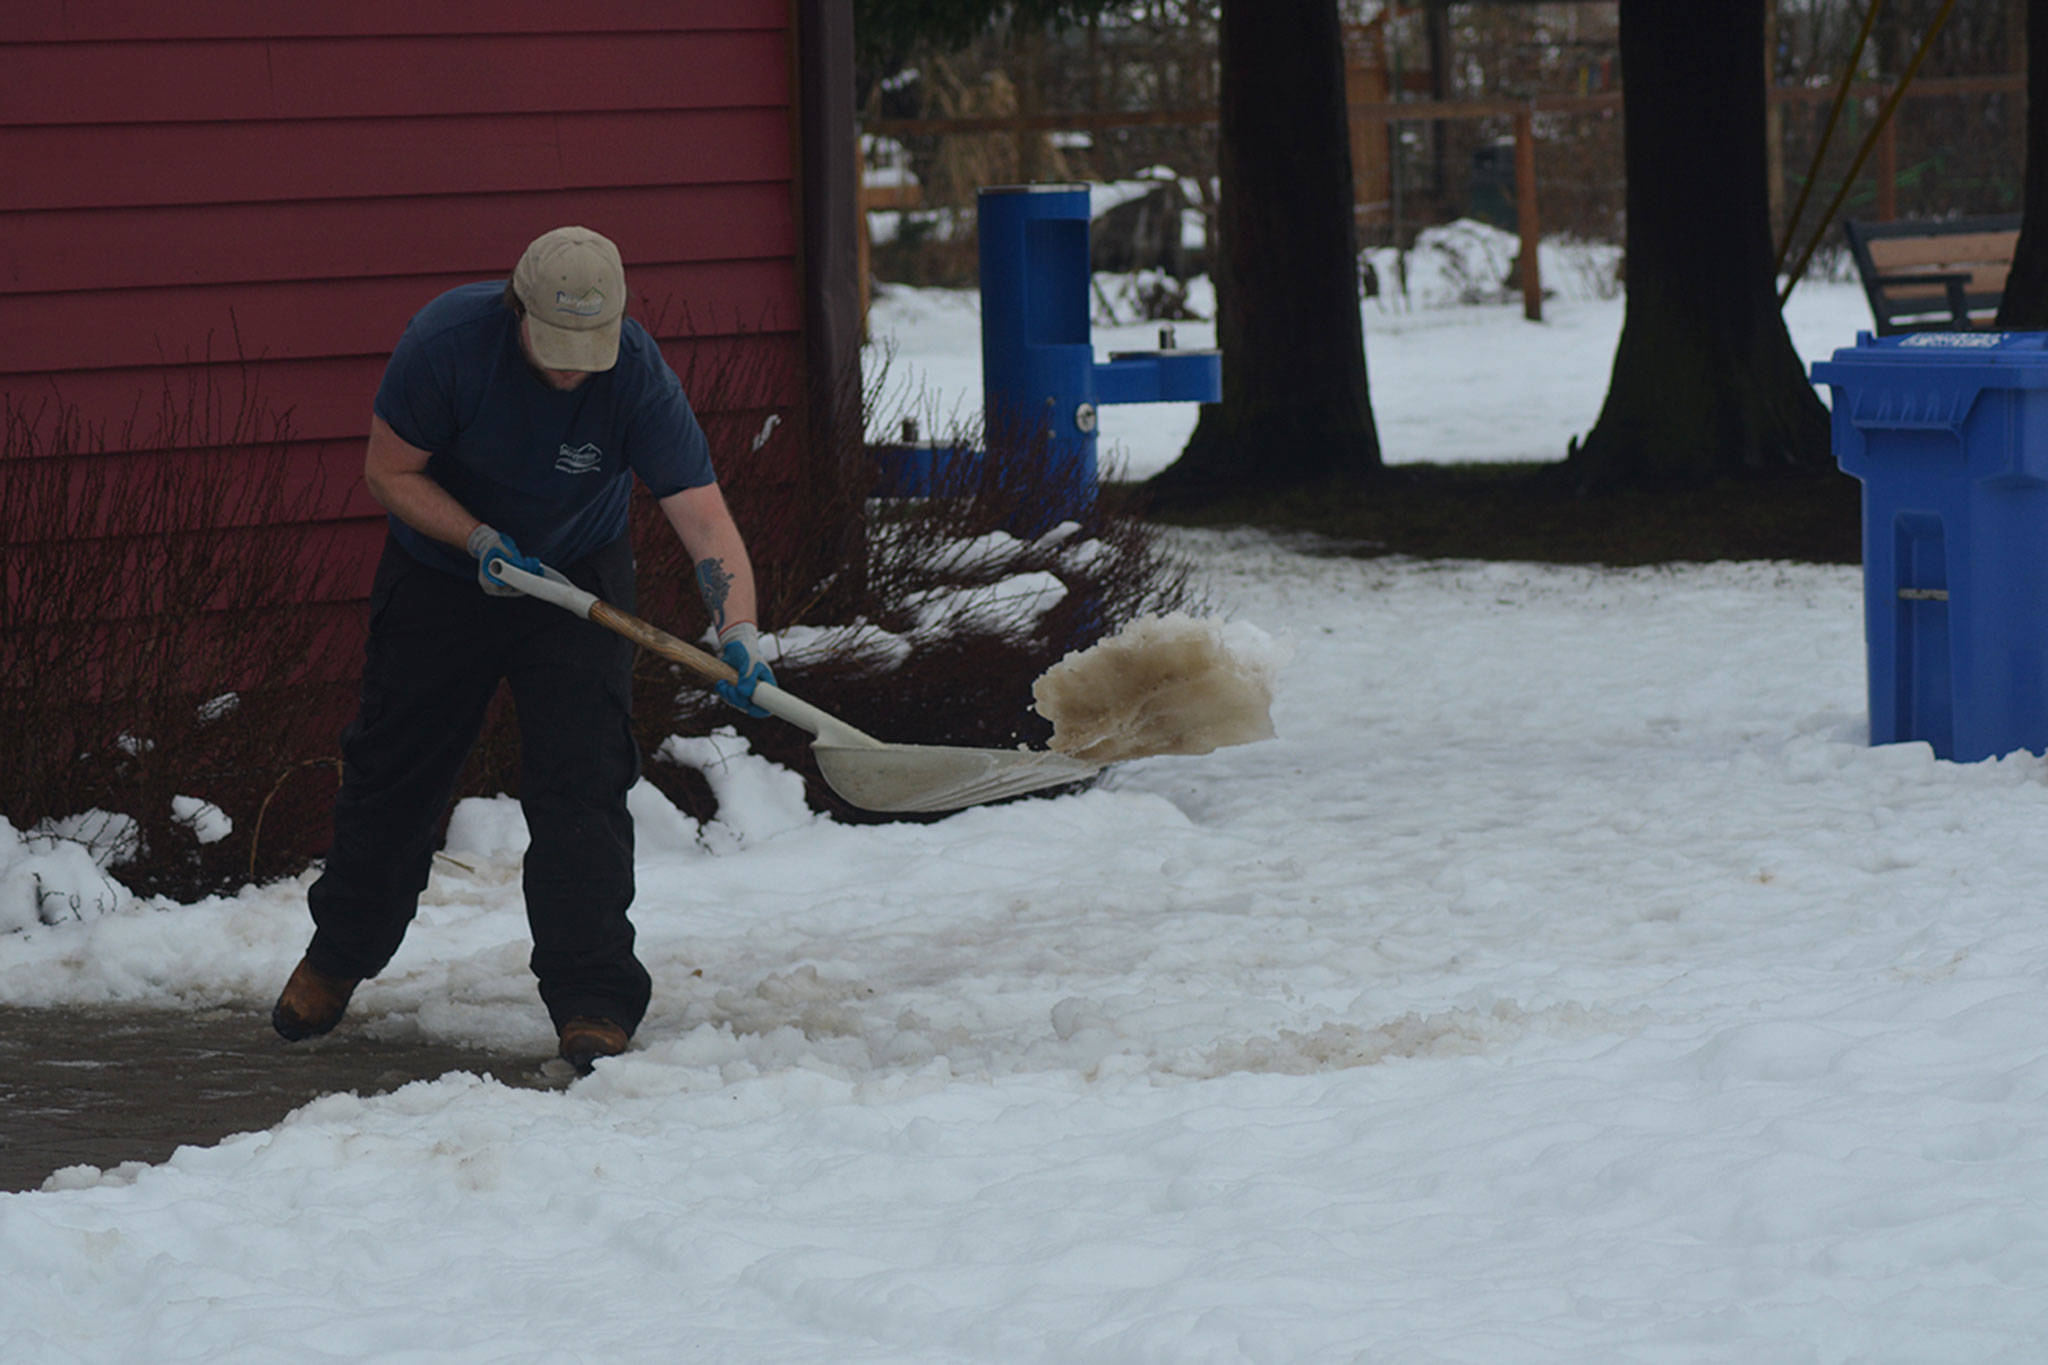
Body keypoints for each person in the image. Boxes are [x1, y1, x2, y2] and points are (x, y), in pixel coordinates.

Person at [271, 226, 775, 1073]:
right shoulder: (447, 344)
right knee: (394, 772)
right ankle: (339, 954)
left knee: (582, 780)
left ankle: (592, 999)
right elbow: (388, 472)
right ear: (518, 310)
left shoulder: (639, 379)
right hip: (443, 570)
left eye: (590, 349)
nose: (574, 368)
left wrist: (741, 632)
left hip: (578, 577)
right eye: (556, 347)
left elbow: (704, 517)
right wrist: (478, 541)